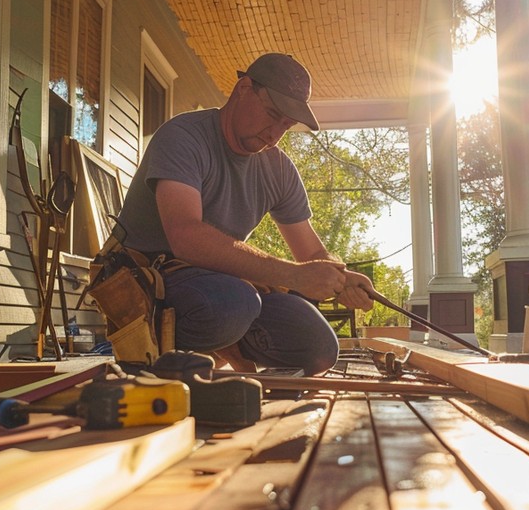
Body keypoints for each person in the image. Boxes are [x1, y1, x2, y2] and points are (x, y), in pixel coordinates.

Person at [112, 53, 375, 374]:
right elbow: (186, 237)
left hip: (224, 286)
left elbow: (312, 253)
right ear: (243, 88)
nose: (274, 134)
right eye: (271, 114)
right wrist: (292, 275)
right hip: (151, 280)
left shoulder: (278, 169)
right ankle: (174, 362)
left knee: (318, 347)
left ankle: (218, 353)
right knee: (232, 303)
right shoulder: (183, 136)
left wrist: (341, 278)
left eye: (287, 125)